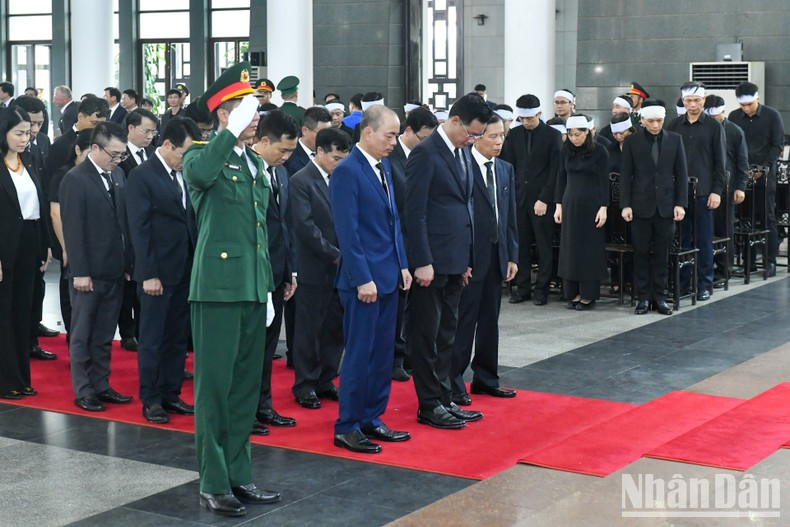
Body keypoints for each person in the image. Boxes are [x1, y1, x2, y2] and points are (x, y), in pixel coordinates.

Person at [181, 62, 280, 517]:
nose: (255, 116)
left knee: (243, 390)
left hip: (250, 289)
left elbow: (258, 232)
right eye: (244, 108)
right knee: (214, 390)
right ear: (223, 113)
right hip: (217, 289)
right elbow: (199, 177)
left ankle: (239, 475)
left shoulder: (255, 162)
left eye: (254, 109)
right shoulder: (203, 155)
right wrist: (227, 133)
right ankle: (213, 480)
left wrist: (266, 289)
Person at [404, 93, 492, 429]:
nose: (473, 140)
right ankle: (428, 404)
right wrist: (422, 260)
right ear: (454, 121)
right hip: (432, 263)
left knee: (447, 335)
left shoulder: (461, 153)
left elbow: (464, 207)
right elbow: (415, 212)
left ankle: (444, 398)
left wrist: (467, 258)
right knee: (426, 336)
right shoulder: (425, 154)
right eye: (471, 133)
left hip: (456, 260)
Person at [330, 104, 411, 454]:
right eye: (389, 135)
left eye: (396, 135)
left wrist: (403, 264)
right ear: (367, 132)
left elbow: (393, 223)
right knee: (360, 353)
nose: (394, 142)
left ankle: (372, 417)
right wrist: (362, 277)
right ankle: (347, 424)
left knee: (381, 354)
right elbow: (347, 232)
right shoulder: (348, 171)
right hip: (363, 281)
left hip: (389, 275)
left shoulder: (385, 167)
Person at [125, 117, 200, 424]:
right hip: (157, 271)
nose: (188, 161)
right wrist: (148, 273)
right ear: (167, 145)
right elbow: (138, 230)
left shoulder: (184, 174)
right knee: (153, 336)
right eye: (185, 153)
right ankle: (152, 398)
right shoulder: (142, 176)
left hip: (185, 267)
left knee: (177, 336)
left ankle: (171, 392)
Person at [60, 122, 134, 412]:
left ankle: (101, 384)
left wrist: (127, 262)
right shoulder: (75, 179)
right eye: (113, 154)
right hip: (87, 273)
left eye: (121, 155)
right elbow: (74, 229)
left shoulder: (117, 177)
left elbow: (122, 223)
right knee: (83, 334)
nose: (117, 160)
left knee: (104, 334)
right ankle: (83, 389)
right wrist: (80, 271)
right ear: (94, 148)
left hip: (113, 269)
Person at [450, 114, 518, 406]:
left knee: (490, 320)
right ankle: (453, 382)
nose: (499, 142)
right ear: (477, 137)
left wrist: (512, 255)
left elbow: (510, 216)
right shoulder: (461, 166)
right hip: (470, 258)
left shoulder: (505, 169)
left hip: (496, 255)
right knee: (464, 321)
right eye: (493, 136)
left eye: (502, 135)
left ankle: (486, 378)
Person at [289, 128, 350, 416]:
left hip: (341, 269)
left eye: (343, 158)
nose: (339, 163)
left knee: (334, 328)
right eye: (335, 157)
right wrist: (336, 255)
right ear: (321, 152)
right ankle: (305, 384)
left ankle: (326, 379)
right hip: (315, 266)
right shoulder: (301, 180)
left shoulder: (341, 178)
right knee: (309, 330)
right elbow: (305, 227)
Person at [247, 110, 299, 433]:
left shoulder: (279, 173)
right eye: (282, 150)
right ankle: (246, 411)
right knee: (250, 349)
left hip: (277, 272)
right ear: (263, 140)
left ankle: (263, 405)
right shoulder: (244, 172)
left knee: (267, 346)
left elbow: (285, 226)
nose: (287, 157)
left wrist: (291, 271)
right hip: (253, 274)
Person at [620, 100, 688, 315]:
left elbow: (682, 175)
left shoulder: (675, 140)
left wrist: (680, 204)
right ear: (642, 121)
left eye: (659, 121)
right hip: (640, 206)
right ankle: (643, 298)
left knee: (662, 254)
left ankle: (660, 297)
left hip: (666, 207)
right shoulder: (633, 142)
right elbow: (625, 176)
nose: (656, 125)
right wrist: (625, 205)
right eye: (651, 121)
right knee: (640, 253)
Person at [0, 106, 49, 399]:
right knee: (4, 314)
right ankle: (5, 380)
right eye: (18, 133)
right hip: (5, 246)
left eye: (27, 133)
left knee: (23, 312)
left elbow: (38, 209)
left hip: (29, 241)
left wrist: (44, 246)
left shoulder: (28, 161)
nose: (24, 139)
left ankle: (21, 377)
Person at [387, 107, 437, 382]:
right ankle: (395, 357)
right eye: (424, 137)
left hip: (420, 240)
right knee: (397, 305)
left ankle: (409, 354)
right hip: (398, 240)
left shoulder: (426, 156)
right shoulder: (391, 158)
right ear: (408, 132)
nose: (427, 143)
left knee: (416, 306)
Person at [667, 82, 727, 301]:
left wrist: (716, 191)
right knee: (682, 240)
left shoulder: (713, 127)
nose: (693, 105)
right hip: (679, 194)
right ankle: (682, 284)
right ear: (683, 101)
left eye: (697, 100)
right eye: (688, 101)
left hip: (704, 192)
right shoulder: (673, 126)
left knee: (703, 239)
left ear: (704, 100)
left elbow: (720, 163)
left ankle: (704, 284)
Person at [501, 94, 562, 306]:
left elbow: (555, 171)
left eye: (530, 119)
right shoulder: (514, 134)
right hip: (518, 199)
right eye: (522, 119)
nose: (526, 123)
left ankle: (542, 289)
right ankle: (523, 287)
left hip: (542, 201)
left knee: (544, 245)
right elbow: (508, 165)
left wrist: (545, 198)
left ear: (539, 114)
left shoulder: (552, 136)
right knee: (521, 245)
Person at [11, 96, 58, 359]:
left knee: (34, 288)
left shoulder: (38, 146)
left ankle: (30, 337)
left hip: (34, 229)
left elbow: (42, 192)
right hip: (11, 236)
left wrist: (46, 241)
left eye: (39, 125)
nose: (33, 133)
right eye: (27, 128)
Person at [728, 81, 785, 277]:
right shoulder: (734, 117)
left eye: (750, 105)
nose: (747, 109)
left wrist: (763, 168)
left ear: (757, 100)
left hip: (766, 174)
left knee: (766, 216)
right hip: (743, 175)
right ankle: (748, 261)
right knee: (744, 218)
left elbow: (777, 145)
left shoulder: (772, 115)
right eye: (743, 106)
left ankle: (770, 261)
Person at [553, 115, 609, 310]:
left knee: (589, 250)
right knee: (571, 249)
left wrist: (604, 207)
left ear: (587, 133)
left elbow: (604, 181)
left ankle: (588, 294)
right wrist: (558, 205)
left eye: (578, 134)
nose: (574, 138)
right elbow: (561, 178)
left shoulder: (600, 151)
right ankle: (573, 292)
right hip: (570, 203)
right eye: (570, 134)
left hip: (592, 205)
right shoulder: (565, 151)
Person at [49, 129, 92, 344]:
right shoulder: (63, 174)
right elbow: (56, 213)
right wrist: (66, 246)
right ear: (77, 150)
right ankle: (73, 337)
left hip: (92, 241)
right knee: (70, 291)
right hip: (68, 239)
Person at [705, 95, 748, 281]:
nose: (713, 120)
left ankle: (724, 269)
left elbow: (742, 162)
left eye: (716, 117)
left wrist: (741, 187)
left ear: (723, 112)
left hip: (727, 187)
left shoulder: (734, 131)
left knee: (725, 227)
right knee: (706, 228)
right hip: (707, 184)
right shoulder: (704, 128)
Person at [49, 96, 109, 175]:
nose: (98, 128)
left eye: (102, 124)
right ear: (80, 117)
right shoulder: (60, 145)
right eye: (94, 123)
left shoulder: (106, 141)